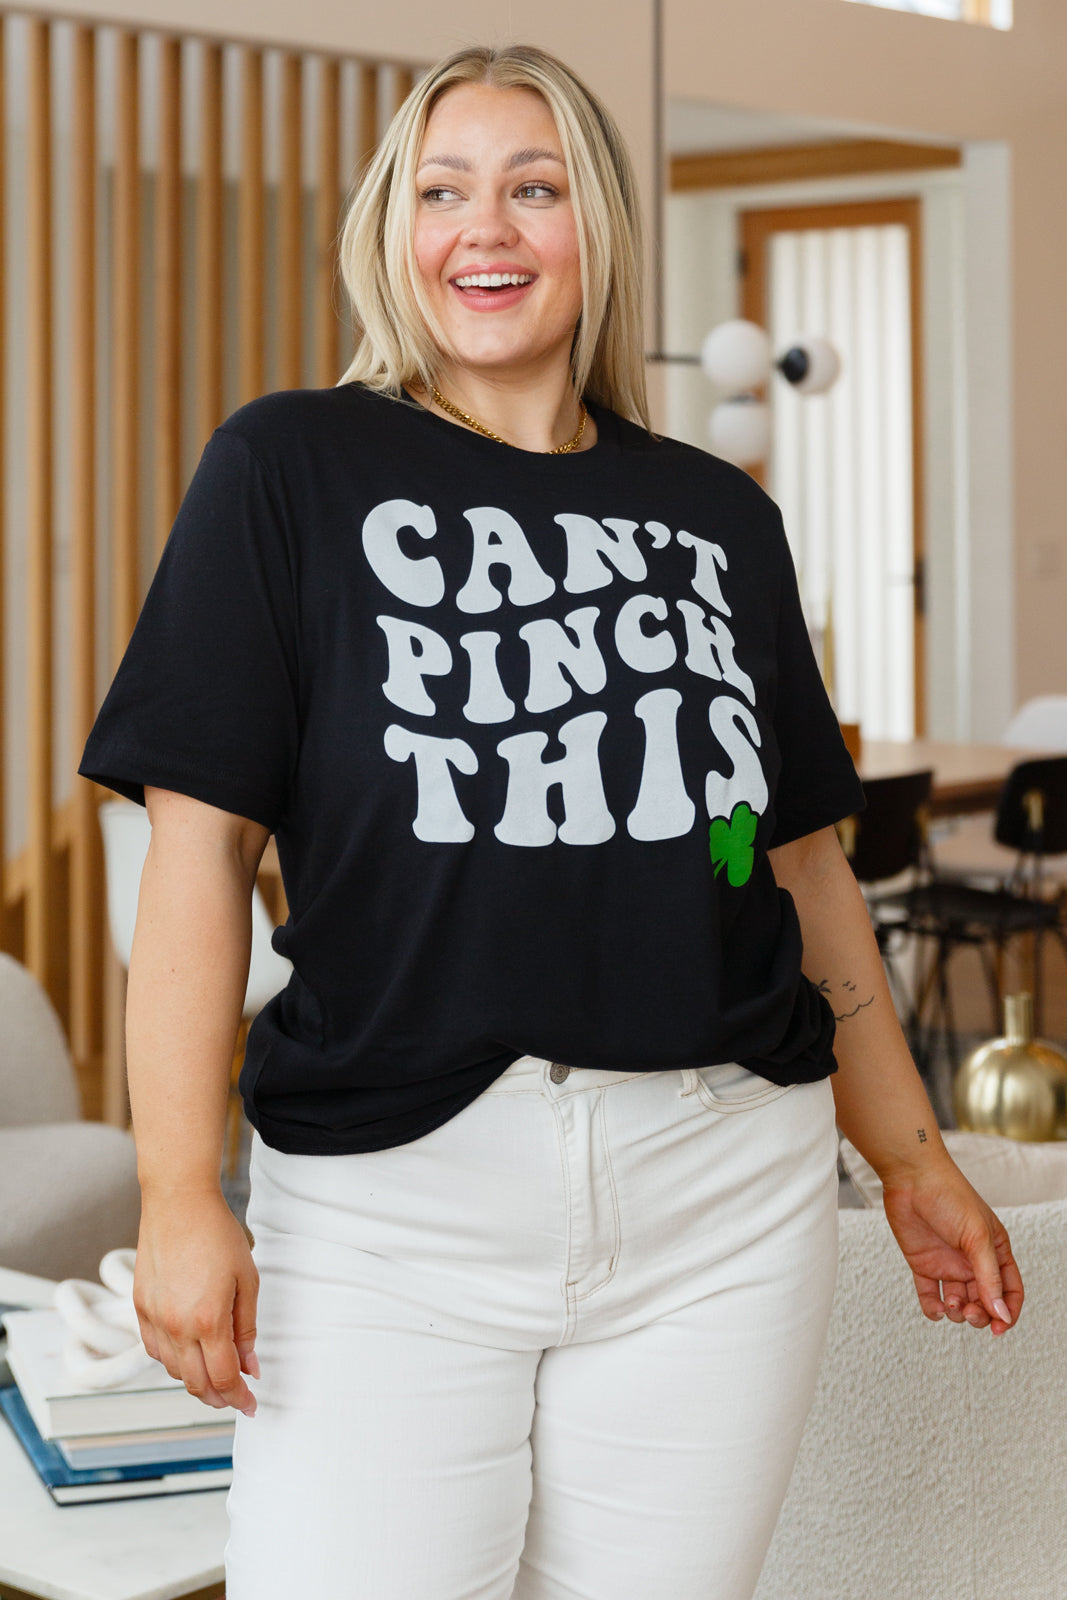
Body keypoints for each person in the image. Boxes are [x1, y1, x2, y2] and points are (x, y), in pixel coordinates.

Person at [79, 42, 1023, 1600]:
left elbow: (788, 862)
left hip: (724, 1189)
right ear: (396, 230)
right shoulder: (292, 468)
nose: (485, 228)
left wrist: (912, 1157)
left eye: (535, 188)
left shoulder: (720, 518)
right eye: (442, 191)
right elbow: (202, 855)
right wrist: (177, 1193)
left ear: (596, 229)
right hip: (393, 1203)